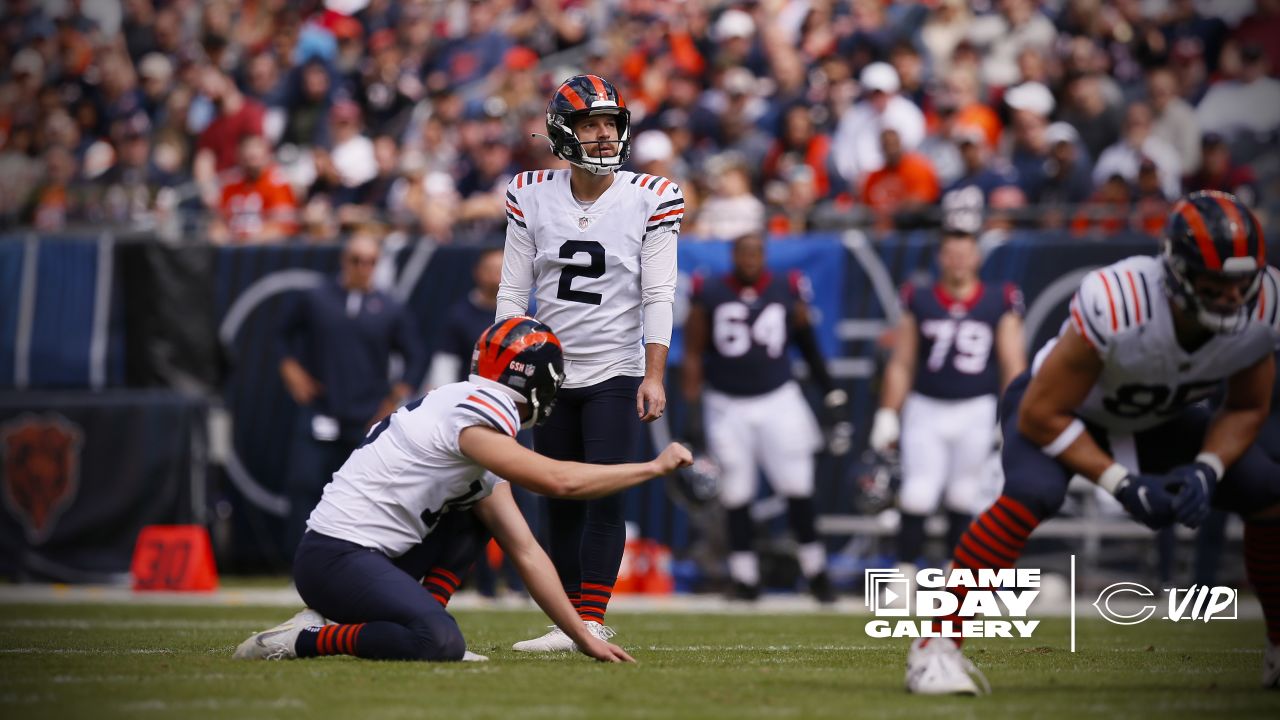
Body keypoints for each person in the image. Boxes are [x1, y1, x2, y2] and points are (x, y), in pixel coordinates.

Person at [903, 191, 1280, 695]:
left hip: (1157, 416)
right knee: (1032, 492)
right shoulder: (1123, 299)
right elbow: (1041, 414)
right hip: (1062, 408)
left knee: (1266, 489)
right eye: (1216, 285)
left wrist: (1207, 467)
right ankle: (934, 649)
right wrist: (1121, 483)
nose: (1233, 299)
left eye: (1242, 284)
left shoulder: (1265, 305)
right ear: (1178, 273)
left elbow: (1246, 407)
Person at [235, 317, 695, 663]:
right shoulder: (476, 417)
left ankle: (420, 610)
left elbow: (527, 550)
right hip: (337, 557)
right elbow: (560, 480)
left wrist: (581, 636)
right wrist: (653, 467)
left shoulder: (459, 403)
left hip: (364, 553)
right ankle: (303, 640)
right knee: (438, 640)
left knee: (478, 513)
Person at [496, 74, 681, 651]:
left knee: (603, 493)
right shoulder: (529, 192)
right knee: (557, 495)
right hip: (550, 373)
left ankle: (591, 618)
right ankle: (566, 623)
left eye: (611, 124)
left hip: (617, 368)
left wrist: (653, 373)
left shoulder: (652, 195)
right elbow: (511, 292)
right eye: (591, 125)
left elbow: (659, 292)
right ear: (563, 132)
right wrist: (505, 370)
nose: (604, 135)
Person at [681, 232, 848, 602]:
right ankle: (744, 577)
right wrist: (693, 412)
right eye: (743, 252)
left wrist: (830, 389)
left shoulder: (787, 287)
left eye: (756, 252)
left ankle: (816, 572)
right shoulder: (709, 291)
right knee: (736, 492)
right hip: (726, 402)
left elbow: (807, 342)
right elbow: (693, 352)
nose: (750, 259)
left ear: (765, 255)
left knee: (797, 486)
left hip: (779, 399)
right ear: (733, 255)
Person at [870, 227, 1026, 573]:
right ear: (941, 258)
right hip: (926, 406)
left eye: (964, 254)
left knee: (965, 495)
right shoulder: (919, 297)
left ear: (977, 258)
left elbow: (1012, 362)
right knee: (917, 493)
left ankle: (957, 579)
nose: (958, 262)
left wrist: (1011, 414)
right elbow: (902, 360)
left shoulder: (1000, 297)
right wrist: (888, 411)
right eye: (951, 254)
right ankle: (904, 575)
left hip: (976, 407)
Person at [277, 233, 427, 559]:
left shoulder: (390, 308)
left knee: (365, 492)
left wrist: (392, 402)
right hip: (321, 408)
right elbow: (282, 335)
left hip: (367, 413)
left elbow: (415, 356)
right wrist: (291, 371)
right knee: (304, 483)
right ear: (344, 261)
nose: (363, 268)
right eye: (356, 260)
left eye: (371, 261)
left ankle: (358, 560)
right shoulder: (316, 298)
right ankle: (298, 560)